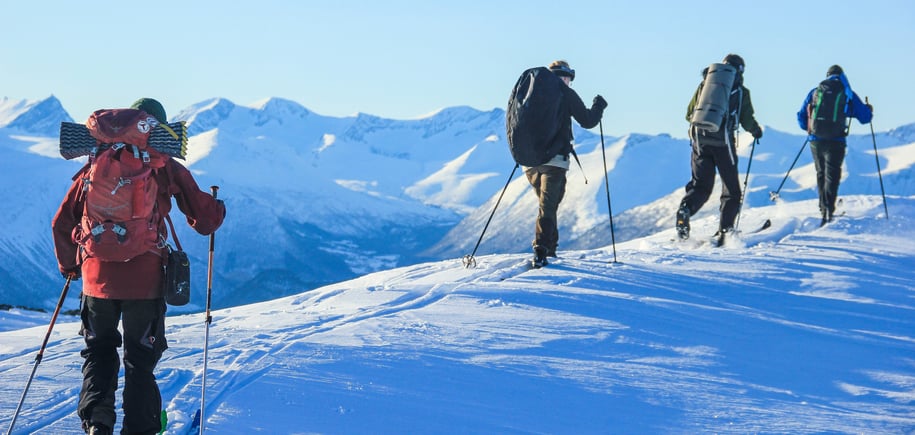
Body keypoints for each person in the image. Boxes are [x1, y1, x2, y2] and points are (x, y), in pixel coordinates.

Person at [52, 98, 226, 435]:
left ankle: (97, 423)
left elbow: (62, 221)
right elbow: (204, 221)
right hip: (144, 282)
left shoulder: (96, 162)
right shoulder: (163, 164)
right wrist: (217, 208)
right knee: (139, 364)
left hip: (96, 279)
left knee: (98, 353)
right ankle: (141, 430)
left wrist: (71, 266)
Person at [525, 60, 606, 268]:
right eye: (568, 78)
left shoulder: (534, 94)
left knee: (547, 206)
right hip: (555, 161)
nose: (567, 82)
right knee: (548, 206)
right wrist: (599, 106)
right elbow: (588, 120)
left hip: (531, 163)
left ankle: (549, 248)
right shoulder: (564, 93)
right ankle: (542, 249)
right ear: (565, 76)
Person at [677, 54, 762, 245]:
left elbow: (688, 114)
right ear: (739, 71)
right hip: (723, 143)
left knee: (701, 186)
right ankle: (726, 230)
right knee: (732, 190)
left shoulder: (704, 86)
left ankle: (685, 210)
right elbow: (746, 119)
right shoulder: (740, 91)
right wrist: (756, 130)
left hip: (699, 140)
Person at [797, 65, 873, 226]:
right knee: (832, 174)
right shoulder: (846, 92)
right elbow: (865, 118)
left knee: (820, 172)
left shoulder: (815, 92)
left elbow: (801, 116)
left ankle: (822, 207)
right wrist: (868, 110)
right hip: (836, 140)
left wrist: (810, 129)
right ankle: (828, 210)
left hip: (815, 139)